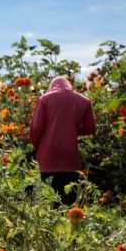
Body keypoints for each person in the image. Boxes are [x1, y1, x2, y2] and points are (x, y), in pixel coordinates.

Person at [29, 76, 96, 205]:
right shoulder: (84, 101)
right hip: (70, 159)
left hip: (47, 158)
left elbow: (37, 129)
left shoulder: (45, 99)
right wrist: (72, 130)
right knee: (69, 201)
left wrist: (37, 146)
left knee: (46, 201)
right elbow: (90, 127)